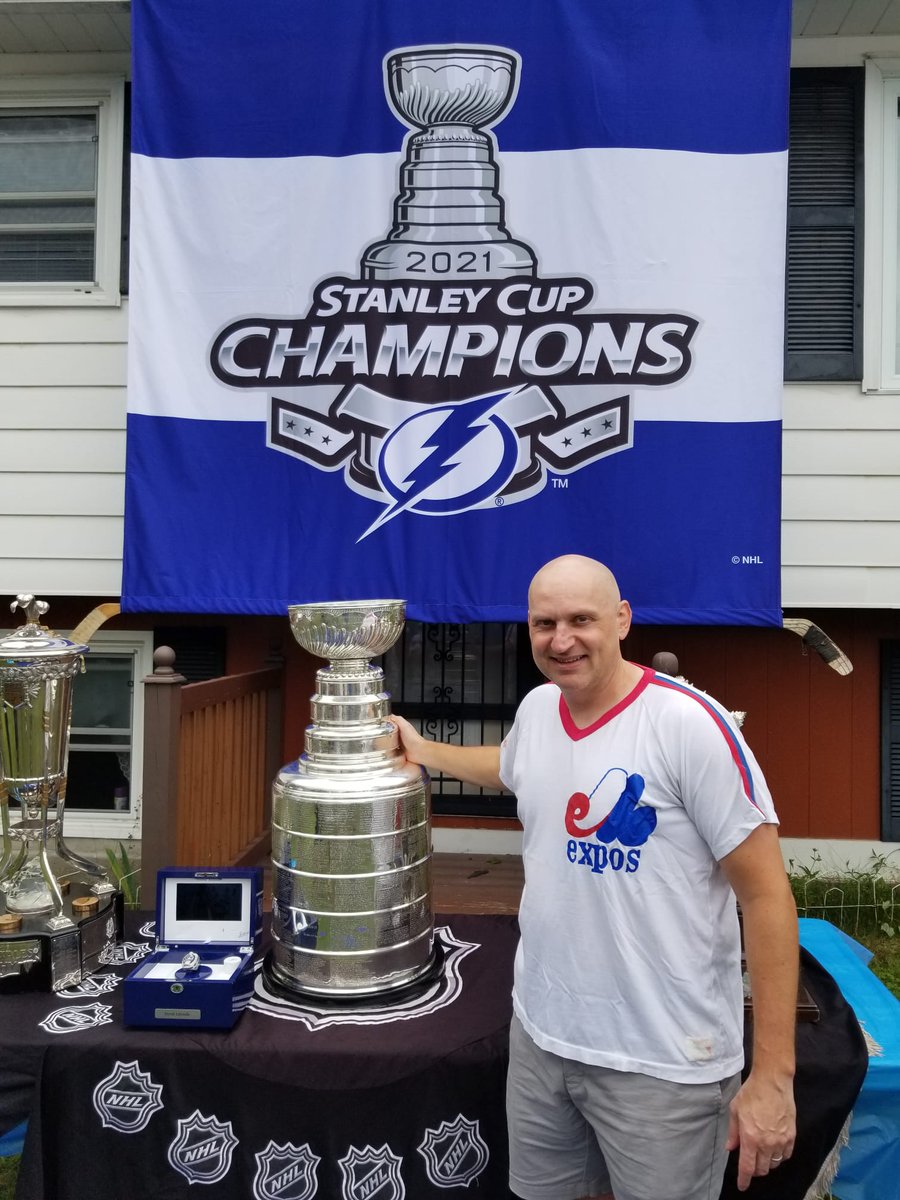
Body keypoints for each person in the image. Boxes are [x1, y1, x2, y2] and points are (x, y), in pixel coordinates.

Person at [392, 554, 798, 1200]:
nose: (561, 640)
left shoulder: (689, 726)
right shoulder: (538, 710)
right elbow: (516, 764)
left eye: (581, 619)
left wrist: (774, 1076)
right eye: (543, 623)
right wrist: (423, 750)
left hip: (664, 1063)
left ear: (622, 619)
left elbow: (767, 894)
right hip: (544, 1042)